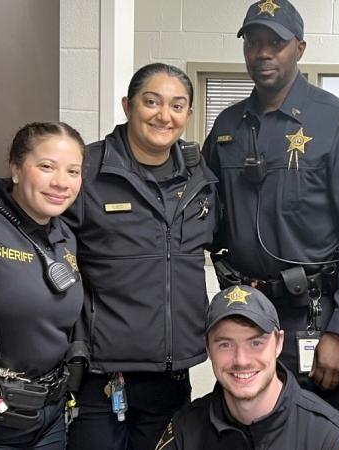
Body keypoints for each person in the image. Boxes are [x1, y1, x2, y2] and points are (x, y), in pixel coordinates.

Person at [203, 0, 339, 418]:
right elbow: (208, 216)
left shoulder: (337, 124)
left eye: (276, 43)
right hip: (245, 315)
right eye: (253, 42)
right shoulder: (228, 126)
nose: (263, 52)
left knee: (317, 431)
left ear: (299, 49)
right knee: (242, 426)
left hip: (314, 319)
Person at [64, 63, 219, 450]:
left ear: (189, 115)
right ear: (128, 105)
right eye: (152, 102)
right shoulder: (88, 170)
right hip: (101, 373)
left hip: (171, 374)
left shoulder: (199, 181)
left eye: (177, 105)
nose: (164, 115)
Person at [155, 285, 339, 449]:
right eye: (225, 344)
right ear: (208, 349)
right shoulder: (185, 430)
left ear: (279, 344)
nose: (241, 359)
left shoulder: (330, 438)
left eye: (256, 343)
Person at [0, 122, 85, 449]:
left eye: (73, 171)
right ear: (16, 169)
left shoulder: (64, 236)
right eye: (46, 167)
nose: (61, 182)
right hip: (1, 418)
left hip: (50, 415)